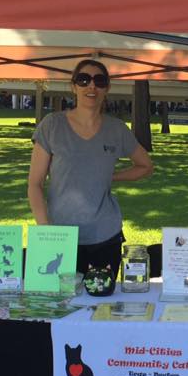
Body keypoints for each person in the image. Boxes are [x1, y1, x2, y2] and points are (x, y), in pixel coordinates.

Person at [28, 59, 154, 277]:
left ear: (107, 88)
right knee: (61, 297)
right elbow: (35, 184)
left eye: (99, 81)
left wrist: (111, 176)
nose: (92, 86)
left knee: (103, 297)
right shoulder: (52, 125)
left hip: (106, 236)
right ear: (73, 86)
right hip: (60, 236)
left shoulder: (117, 129)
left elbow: (146, 166)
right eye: (84, 80)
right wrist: (45, 228)